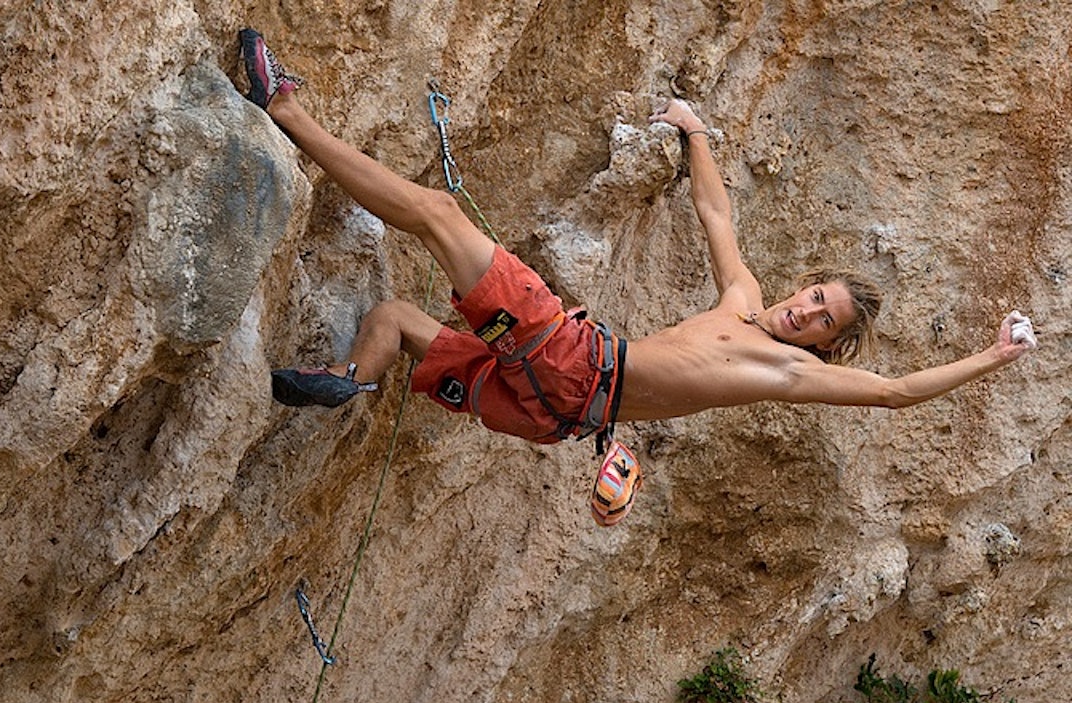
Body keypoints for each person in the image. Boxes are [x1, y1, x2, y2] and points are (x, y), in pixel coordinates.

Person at [238, 29, 1038, 525]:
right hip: (552, 414)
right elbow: (717, 217)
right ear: (803, 285)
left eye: (822, 320)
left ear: (826, 346)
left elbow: (895, 393)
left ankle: (287, 111)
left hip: (572, 363)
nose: (805, 314)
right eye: (814, 297)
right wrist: (694, 134)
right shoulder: (745, 304)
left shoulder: (787, 371)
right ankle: (351, 378)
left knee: (442, 215)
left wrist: (993, 359)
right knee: (397, 320)